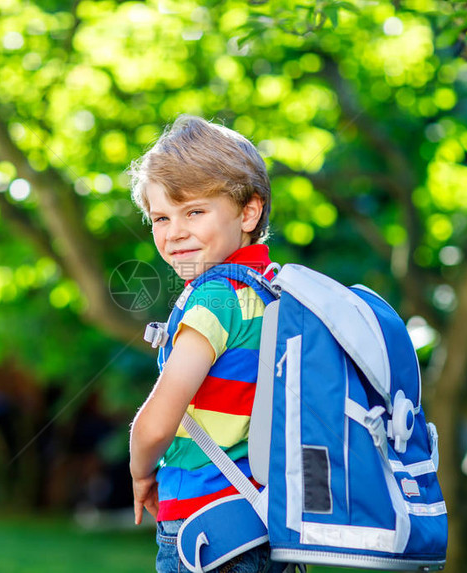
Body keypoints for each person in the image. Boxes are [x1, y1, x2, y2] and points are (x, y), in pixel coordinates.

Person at [128, 115, 278, 573]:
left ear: (248, 213)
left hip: (205, 529)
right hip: (263, 519)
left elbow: (157, 424)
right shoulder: (269, 288)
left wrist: (140, 470)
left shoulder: (215, 299)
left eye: (194, 211)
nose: (174, 232)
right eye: (161, 218)